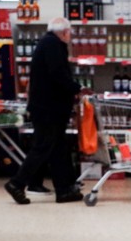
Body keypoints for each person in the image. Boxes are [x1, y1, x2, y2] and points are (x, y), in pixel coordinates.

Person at [5, 17, 86, 205]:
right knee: (43, 146)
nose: (70, 36)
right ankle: (17, 183)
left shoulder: (49, 43)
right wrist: (77, 88)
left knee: (58, 148)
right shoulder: (52, 44)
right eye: (70, 32)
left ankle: (64, 190)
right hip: (48, 108)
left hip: (50, 107)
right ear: (64, 32)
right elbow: (57, 73)